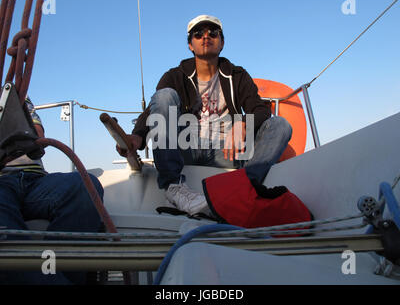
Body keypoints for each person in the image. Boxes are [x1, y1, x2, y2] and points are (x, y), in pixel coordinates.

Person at [118, 15, 292, 216]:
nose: (206, 37)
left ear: (222, 42)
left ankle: (246, 187)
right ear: (190, 45)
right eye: (198, 34)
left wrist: (244, 124)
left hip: (227, 150)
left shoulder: (237, 75)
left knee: (281, 125)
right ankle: (174, 187)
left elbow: (259, 108)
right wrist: (138, 136)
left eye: (213, 33)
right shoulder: (175, 75)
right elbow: (153, 110)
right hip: (186, 147)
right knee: (164, 95)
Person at [0, 97, 104, 285]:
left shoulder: (12, 93)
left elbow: (36, 132)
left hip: (35, 180)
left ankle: (55, 275)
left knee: (85, 187)